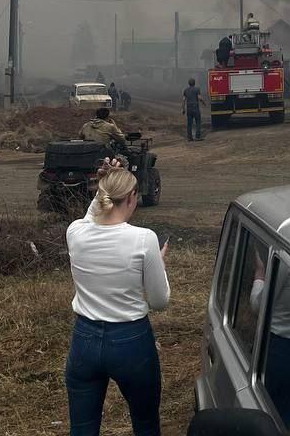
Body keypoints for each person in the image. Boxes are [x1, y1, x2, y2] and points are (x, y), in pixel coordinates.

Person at [65, 156, 170, 436]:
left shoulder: (75, 232)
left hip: (84, 339)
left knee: (83, 428)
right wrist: (159, 265)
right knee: (146, 423)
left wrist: (105, 182)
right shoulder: (144, 238)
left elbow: (92, 216)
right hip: (131, 341)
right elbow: (160, 301)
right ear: (133, 197)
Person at [251, 253, 290, 428]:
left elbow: (259, 305)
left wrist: (259, 277)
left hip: (274, 348)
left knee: (259, 409)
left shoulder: (287, 258)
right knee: (283, 418)